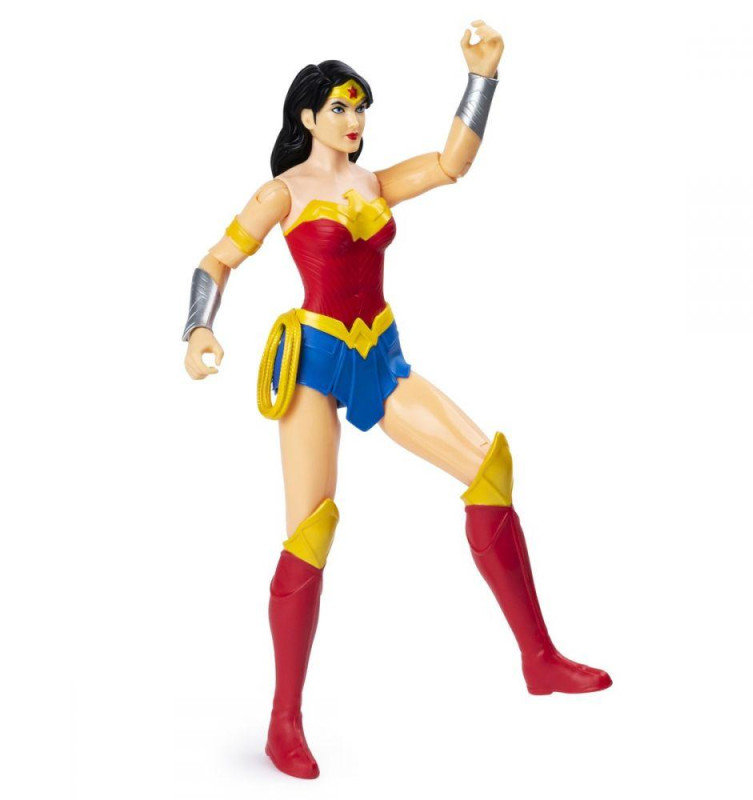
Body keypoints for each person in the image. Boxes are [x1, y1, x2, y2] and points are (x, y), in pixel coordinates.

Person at [182, 21, 611, 780]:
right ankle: (284, 720)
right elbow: (218, 258)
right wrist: (198, 328)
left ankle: (539, 658)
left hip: (380, 354)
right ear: (308, 116)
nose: (354, 120)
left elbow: (450, 164)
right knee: (310, 530)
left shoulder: (373, 183)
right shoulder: (283, 192)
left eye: (360, 109)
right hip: (315, 362)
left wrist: (482, 78)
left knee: (489, 468)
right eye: (340, 108)